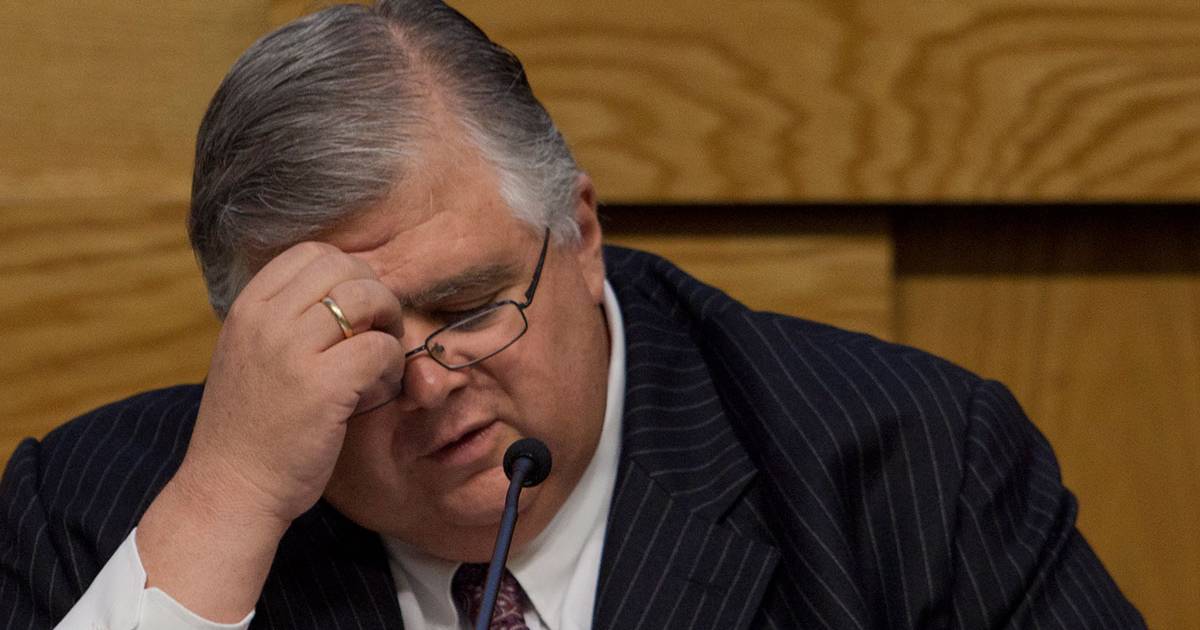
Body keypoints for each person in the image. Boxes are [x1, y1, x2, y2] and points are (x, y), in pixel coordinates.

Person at [0, 1, 1144, 628]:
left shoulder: (908, 468)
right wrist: (231, 503)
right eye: (355, 341)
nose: (430, 381)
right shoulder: (97, 511)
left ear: (581, 234)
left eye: (468, 305)